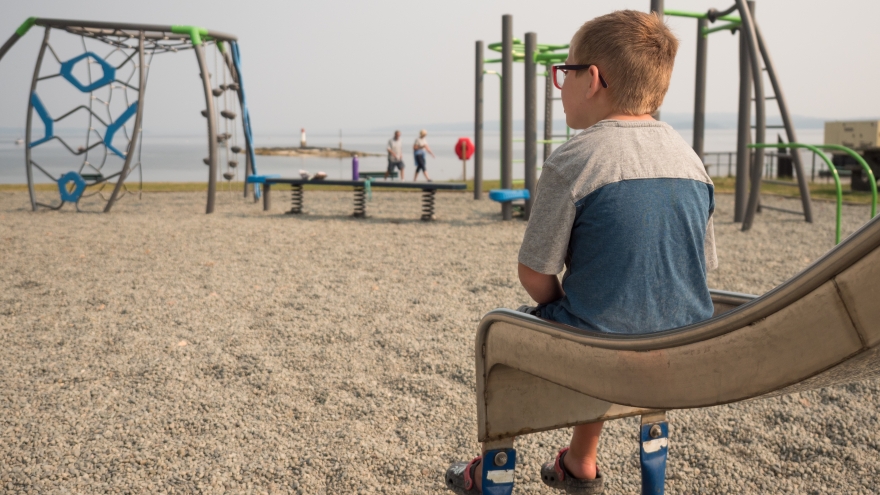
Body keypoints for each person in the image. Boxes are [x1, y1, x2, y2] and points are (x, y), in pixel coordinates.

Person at [445, 10, 716, 495]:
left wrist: (555, 302)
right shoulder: (691, 161)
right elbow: (697, 264)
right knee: (609, 306)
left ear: (592, 79)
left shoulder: (574, 159)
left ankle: (491, 470)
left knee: (500, 336)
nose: (559, 84)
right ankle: (580, 460)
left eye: (564, 71)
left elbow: (533, 274)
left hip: (599, 352)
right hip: (681, 349)